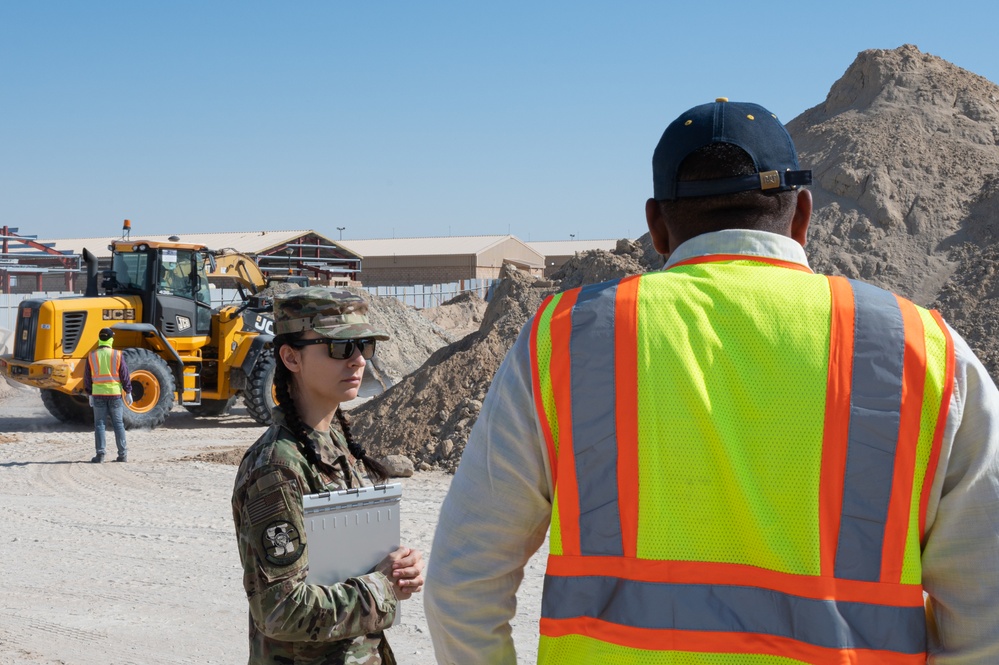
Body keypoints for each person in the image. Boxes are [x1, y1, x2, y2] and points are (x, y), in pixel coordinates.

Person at [424, 98, 999, 663]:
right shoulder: (922, 347)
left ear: (655, 225)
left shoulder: (565, 339)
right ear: (802, 213)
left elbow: (462, 582)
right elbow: (986, 608)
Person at [231, 287, 424, 665]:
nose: (357, 361)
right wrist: (382, 588)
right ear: (291, 357)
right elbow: (281, 610)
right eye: (339, 347)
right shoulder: (277, 468)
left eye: (364, 345)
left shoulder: (335, 441)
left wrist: (397, 571)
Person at [83, 327, 132, 463]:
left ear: (100, 339)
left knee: (99, 425)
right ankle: (122, 455)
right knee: (118, 424)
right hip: (115, 394)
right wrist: (128, 391)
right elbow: (124, 374)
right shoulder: (117, 354)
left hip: (98, 394)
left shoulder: (92, 355)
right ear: (111, 339)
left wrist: (89, 393)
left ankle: (100, 455)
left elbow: (87, 377)